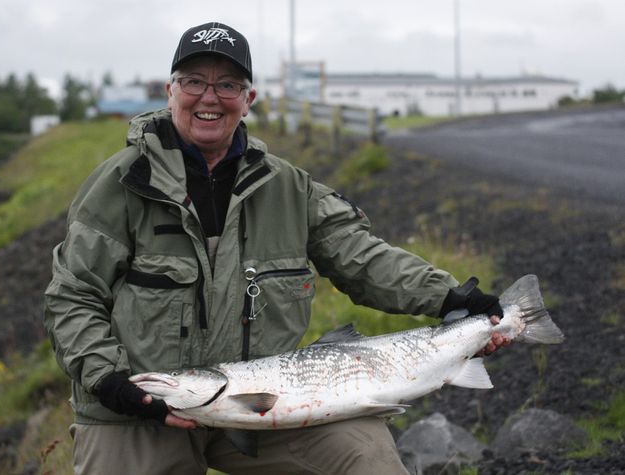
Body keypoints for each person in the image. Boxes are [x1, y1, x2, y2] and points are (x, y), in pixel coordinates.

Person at [44, 21, 509, 475]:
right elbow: (72, 297)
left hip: (270, 406)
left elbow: (364, 260)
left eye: (228, 84)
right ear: (170, 91)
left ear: (249, 100)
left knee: (365, 455)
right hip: (138, 408)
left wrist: (453, 297)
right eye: (193, 82)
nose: (209, 97)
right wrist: (109, 382)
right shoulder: (120, 184)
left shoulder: (288, 187)